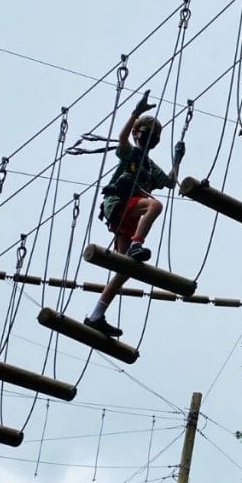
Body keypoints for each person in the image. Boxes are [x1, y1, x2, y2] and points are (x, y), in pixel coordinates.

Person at [84, 90, 185, 337]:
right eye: (146, 133)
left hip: (128, 215)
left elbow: (170, 182)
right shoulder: (130, 154)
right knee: (155, 205)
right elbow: (121, 138)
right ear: (136, 134)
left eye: (154, 136)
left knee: (125, 268)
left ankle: (96, 315)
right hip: (118, 203)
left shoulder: (150, 167)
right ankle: (137, 244)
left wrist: (177, 160)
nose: (150, 138)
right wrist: (135, 114)